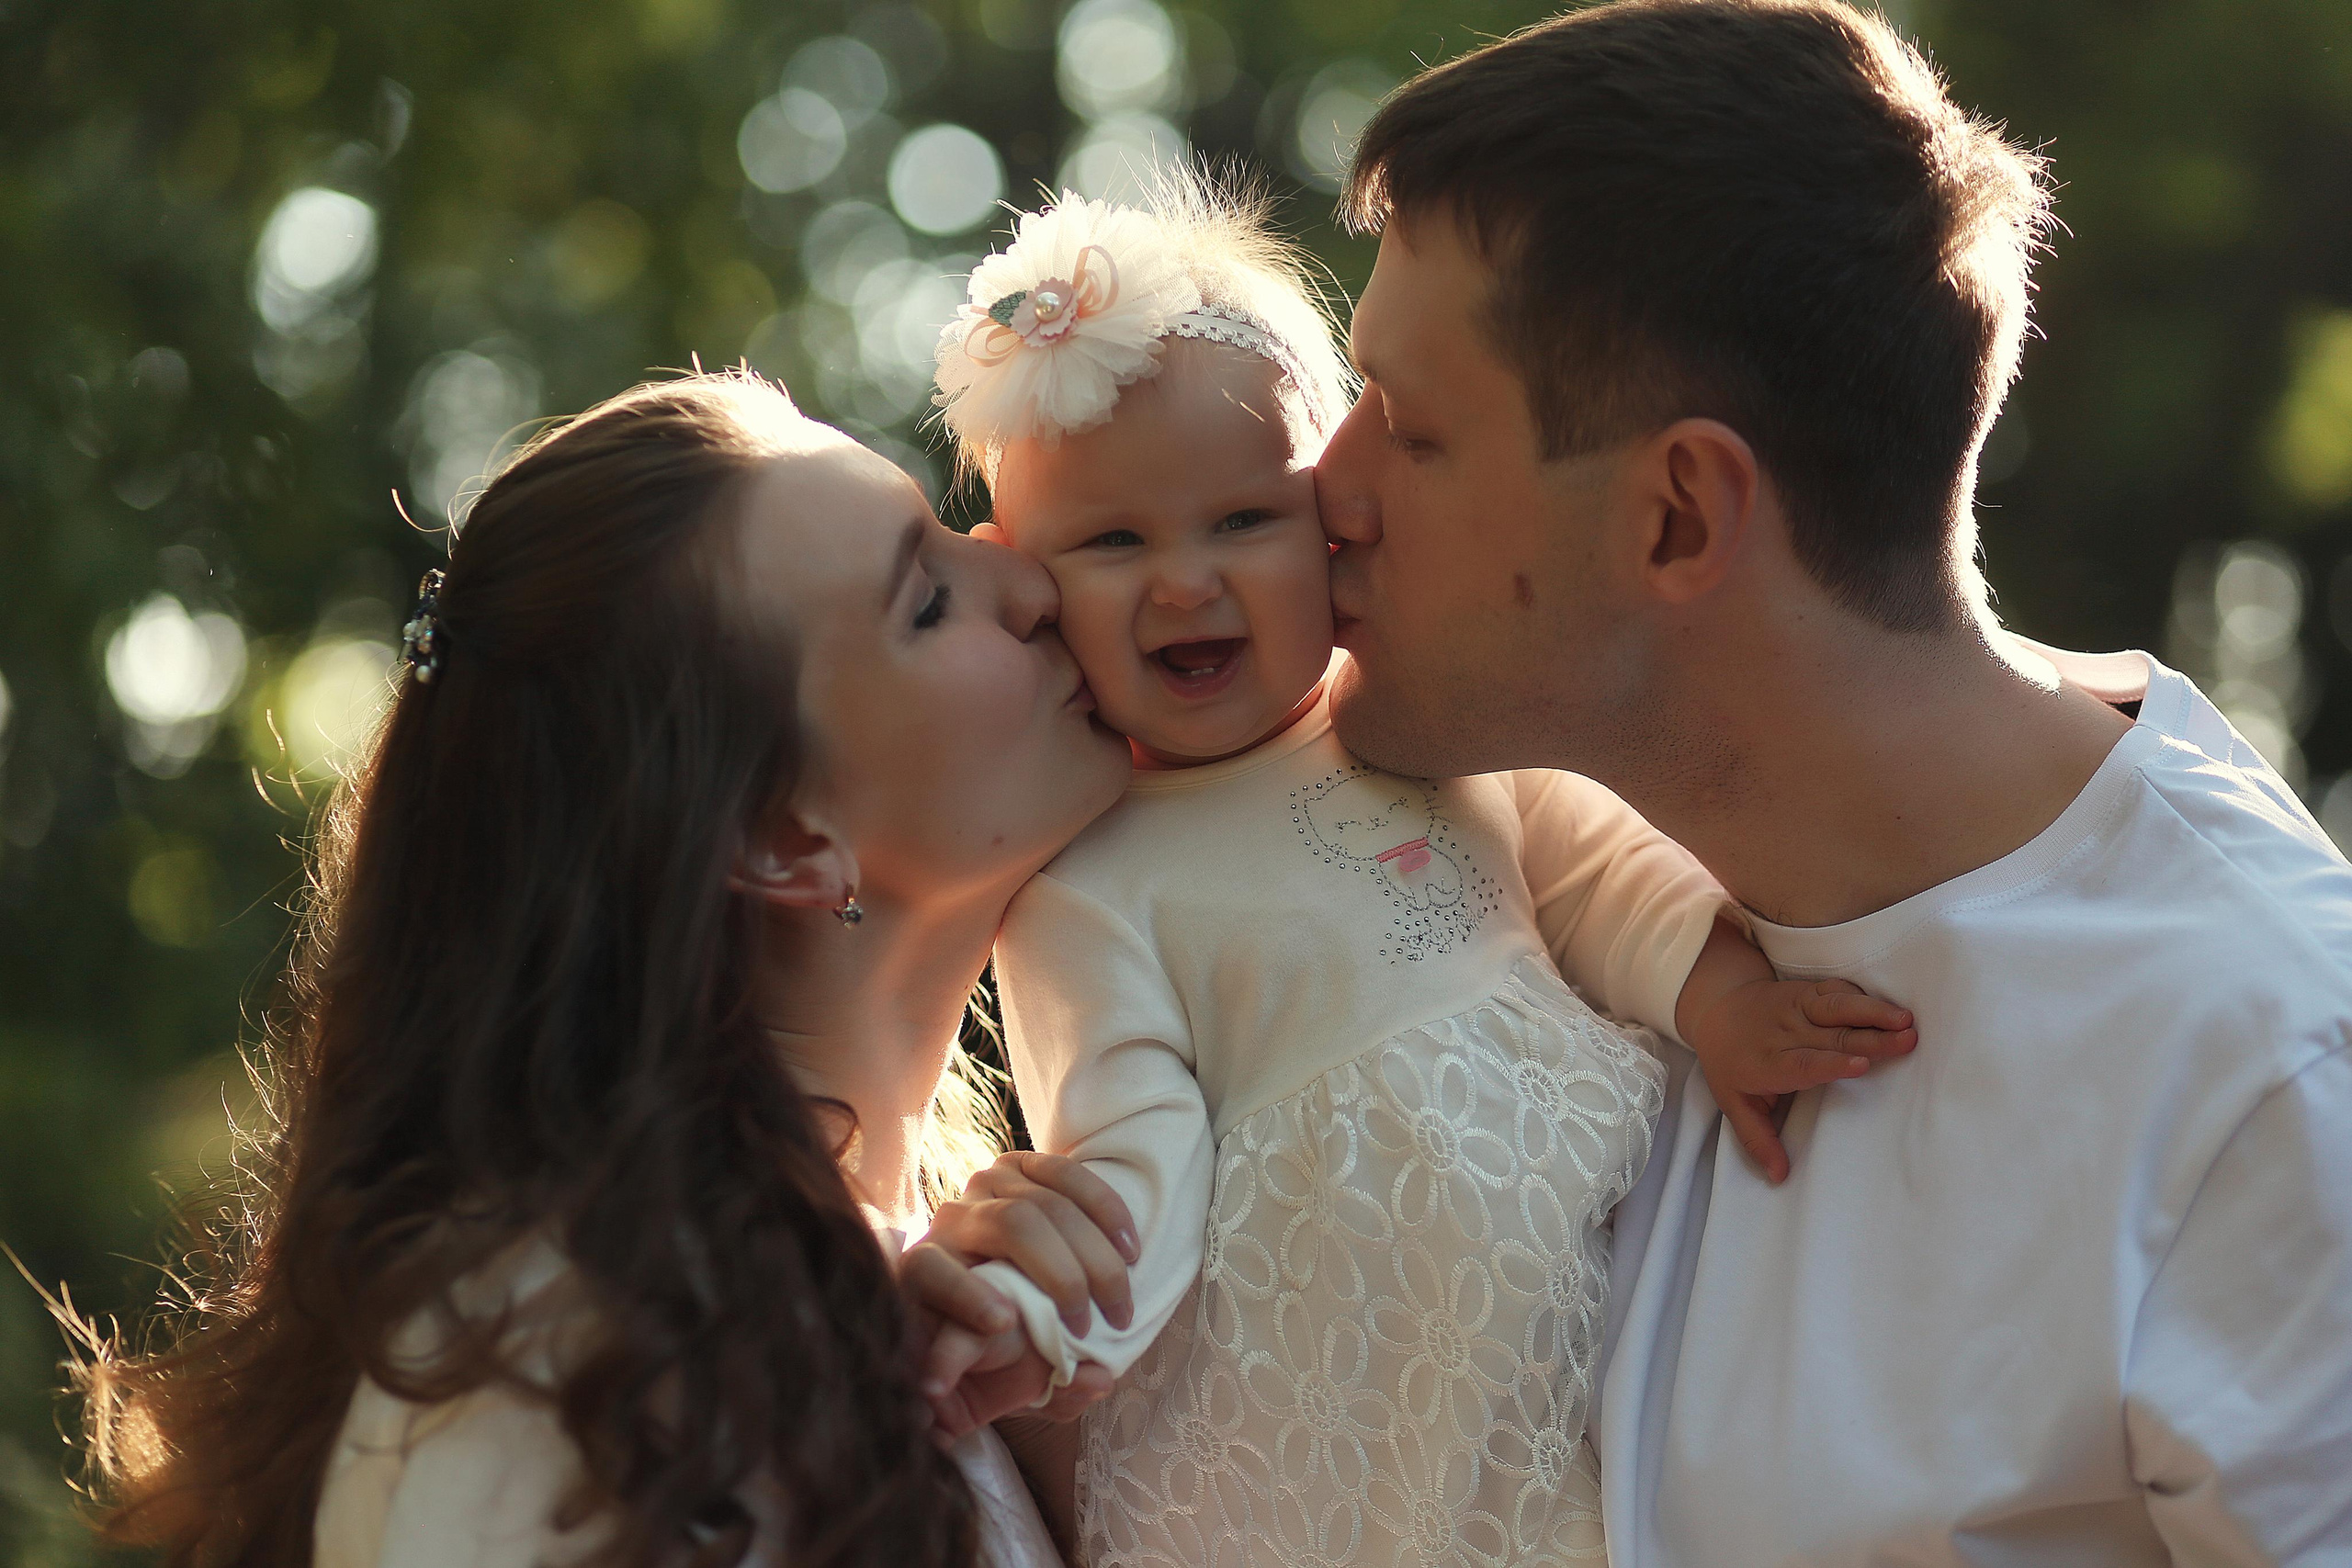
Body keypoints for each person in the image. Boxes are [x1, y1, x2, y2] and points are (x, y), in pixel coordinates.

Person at [1318, 0, 2352, 1562]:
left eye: (1406, 427)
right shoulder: (1500, 897)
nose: (1319, 490)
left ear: (1678, 515)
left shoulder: (2271, 1071)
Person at [920, 176, 1917, 1566]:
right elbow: (1126, 1143)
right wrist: (1055, 1315)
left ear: (1328, 517)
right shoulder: (1087, 882)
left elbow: (1589, 868)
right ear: (1024, 582)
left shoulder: (1413, 721)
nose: (1186, 584)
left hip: (1578, 1264)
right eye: (1112, 543)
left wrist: (1718, 1000)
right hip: (1342, 1374)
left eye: (1240, 523)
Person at [73, 372, 1144, 1568]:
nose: (1034, 580)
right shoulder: (556, 1363)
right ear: (782, 837)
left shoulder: (925, 1303)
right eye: (930, 601)